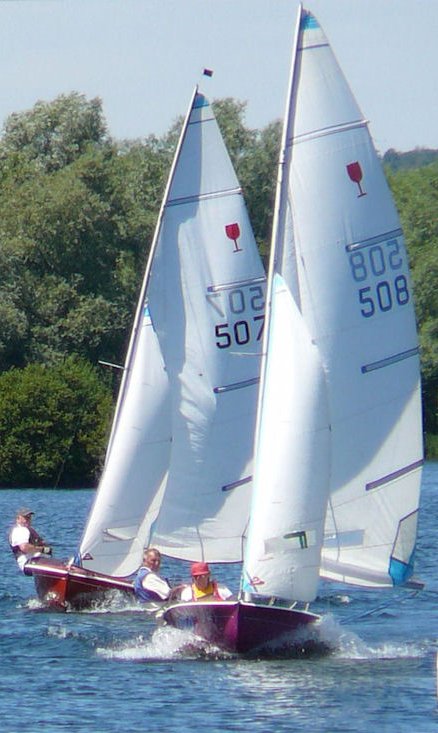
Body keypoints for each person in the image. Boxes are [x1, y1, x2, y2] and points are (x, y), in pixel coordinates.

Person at [9, 508, 52, 572]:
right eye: (25, 518)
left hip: (37, 561)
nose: (28, 520)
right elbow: (24, 547)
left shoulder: (27, 529)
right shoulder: (20, 530)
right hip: (29, 561)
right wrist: (42, 549)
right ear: (18, 519)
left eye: (29, 517)